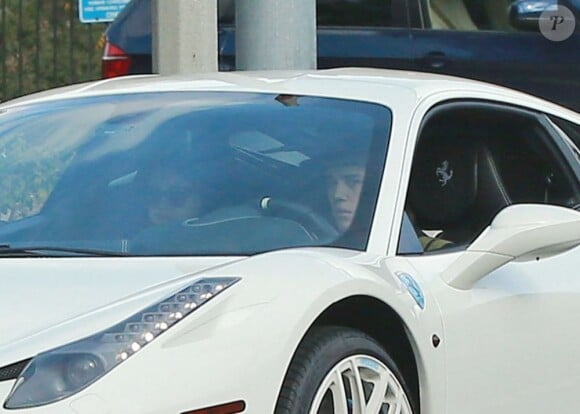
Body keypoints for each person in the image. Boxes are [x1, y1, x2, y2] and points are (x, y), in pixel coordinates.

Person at [323, 152, 452, 252]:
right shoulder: (317, 245)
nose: (338, 194)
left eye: (353, 181)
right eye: (331, 183)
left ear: (383, 185)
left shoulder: (440, 256)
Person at [143, 160, 204, 226]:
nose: (162, 205)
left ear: (198, 199)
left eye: (176, 194)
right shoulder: (137, 234)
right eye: (154, 194)